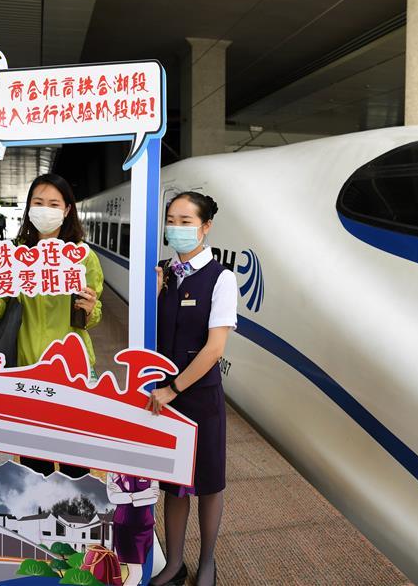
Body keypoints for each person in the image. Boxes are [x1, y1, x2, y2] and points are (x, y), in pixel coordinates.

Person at [0, 173, 103, 477]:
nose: (45, 210)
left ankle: (74, 506)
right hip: (26, 368)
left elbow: (92, 316)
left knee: (75, 460)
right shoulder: (12, 254)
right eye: (38, 203)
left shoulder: (82, 256)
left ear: (67, 209)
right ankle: (41, 505)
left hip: (72, 370)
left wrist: (90, 308)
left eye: (54, 204)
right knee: (34, 461)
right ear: (28, 208)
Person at [147, 192, 237, 586]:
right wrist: (154, 294)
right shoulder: (163, 273)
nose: (176, 228)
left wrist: (173, 389)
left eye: (186, 221)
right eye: (171, 220)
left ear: (206, 227)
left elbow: (215, 348)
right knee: (174, 485)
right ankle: (174, 563)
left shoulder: (222, 278)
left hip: (200, 398)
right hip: (165, 398)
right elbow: (150, 332)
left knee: (209, 483)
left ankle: (207, 563)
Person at [106, 472, 160, 586]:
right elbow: (113, 497)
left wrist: (126, 496)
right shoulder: (114, 471)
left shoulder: (151, 469)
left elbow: (153, 497)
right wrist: (142, 495)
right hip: (124, 526)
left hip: (144, 526)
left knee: (136, 572)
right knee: (135, 573)